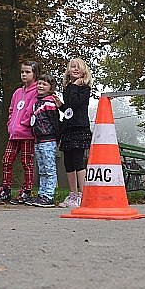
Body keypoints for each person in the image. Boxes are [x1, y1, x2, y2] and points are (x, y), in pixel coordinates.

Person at [0, 60, 40, 205]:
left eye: (27, 72)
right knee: (6, 160)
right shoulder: (17, 92)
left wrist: (23, 123)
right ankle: (5, 189)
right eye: (22, 72)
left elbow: (32, 109)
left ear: (35, 74)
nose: (24, 75)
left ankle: (27, 190)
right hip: (14, 134)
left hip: (27, 134)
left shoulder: (37, 91)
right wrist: (10, 124)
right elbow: (11, 110)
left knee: (27, 162)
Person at [57, 58, 93, 209]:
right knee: (68, 162)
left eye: (79, 67)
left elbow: (76, 103)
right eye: (72, 67)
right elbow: (69, 109)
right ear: (68, 71)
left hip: (80, 128)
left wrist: (74, 86)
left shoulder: (84, 89)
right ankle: (72, 193)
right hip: (68, 128)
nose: (75, 69)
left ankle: (82, 195)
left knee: (78, 161)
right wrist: (61, 106)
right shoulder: (68, 88)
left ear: (84, 71)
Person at [29, 73, 60, 207]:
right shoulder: (37, 102)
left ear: (50, 87)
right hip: (38, 140)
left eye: (44, 84)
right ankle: (41, 194)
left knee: (49, 169)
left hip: (48, 140)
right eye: (39, 83)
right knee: (41, 169)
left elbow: (54, 121)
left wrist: (56, 137)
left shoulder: (49, 102)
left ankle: (49, 195)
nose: (41, 86)